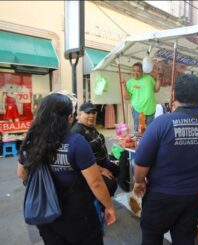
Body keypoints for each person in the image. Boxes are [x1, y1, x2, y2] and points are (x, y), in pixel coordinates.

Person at [132, 74, 198, 245]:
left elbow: (141, 162)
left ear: (174, 94)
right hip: (195, 195)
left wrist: (139, 182)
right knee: (184, 238)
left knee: (152, 238)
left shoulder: (162, 123)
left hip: (161, 196)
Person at [17, 93, 116, 245]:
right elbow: (95, 182)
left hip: (45, 212)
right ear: (69, 117)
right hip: (76, 213)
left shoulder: (32, 141)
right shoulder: (76, 142)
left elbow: (22, 174)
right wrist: (108, 206)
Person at [71, 102, 118, 197]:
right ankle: (102, 205)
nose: (92, 115)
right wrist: (101, 170)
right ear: (79, 114)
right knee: (111, 184)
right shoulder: (78, 132)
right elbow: (82, 160)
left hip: (103, 162)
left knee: (119, 167)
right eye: (88, 113)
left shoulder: (90, 126)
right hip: (92, 167)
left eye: (93, 112)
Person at [121, 62, 161, 132]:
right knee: (139, 131)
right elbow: (127, 97)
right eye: (133, 70)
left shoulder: (149, 78)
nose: (135, 73)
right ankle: (139, 143)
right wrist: (124, 86)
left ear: (142, 72)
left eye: (138, 71)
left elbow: (156, 90)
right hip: (137, 109)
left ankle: (149, 143)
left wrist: (158, 80)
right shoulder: (129, 82)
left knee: (150, 131)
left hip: (150, 109)